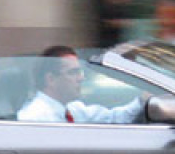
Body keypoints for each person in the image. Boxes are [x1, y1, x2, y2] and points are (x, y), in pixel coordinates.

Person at [16, 45, 145, 123]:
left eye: (80, 72)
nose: (81, 78)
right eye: (73, 72)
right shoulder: (35, 118)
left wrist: (143, 100)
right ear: (51, 79)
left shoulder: (73, 109)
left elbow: (115, 118)